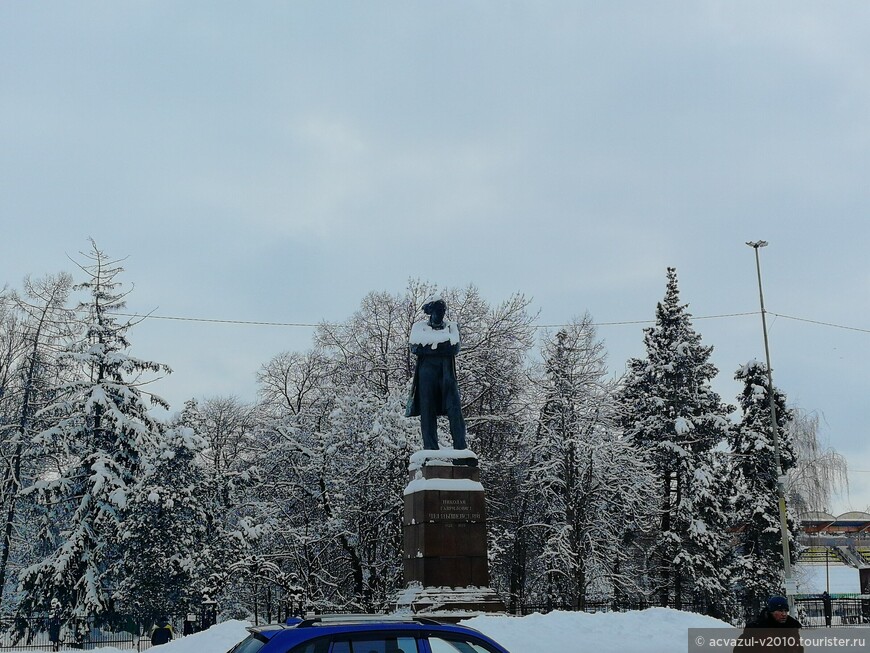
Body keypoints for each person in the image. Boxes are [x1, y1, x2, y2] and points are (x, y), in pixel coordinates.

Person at [406, 297, 468, 453]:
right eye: (437, 311)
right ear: (431, 312)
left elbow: (454, 347)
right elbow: (415, 347)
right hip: (426, 376)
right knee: (427, 411)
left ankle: (461, 448)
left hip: (447, 376)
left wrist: (430, 346)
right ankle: (430, 448)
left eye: (443, 311)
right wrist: (442, 345)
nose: (440, 315)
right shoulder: (419, 327)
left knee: (455, 409)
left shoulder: (452, 327)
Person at [734, 596, 803, 653]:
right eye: (780, 611)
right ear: (771, 612)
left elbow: (798, 649)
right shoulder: (756, 629)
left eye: (785, 611)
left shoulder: (791, 628)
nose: (784, 614)